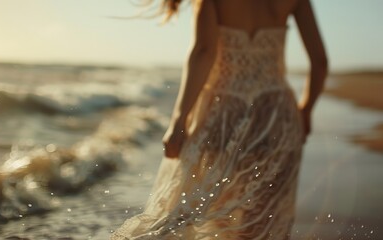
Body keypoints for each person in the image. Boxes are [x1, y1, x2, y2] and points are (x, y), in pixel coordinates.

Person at [112, 0, 328, 239]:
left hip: (224, 116)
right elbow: (320, 62)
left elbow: (204, 51)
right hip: (276, 116)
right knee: (262, 221)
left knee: (207, 216)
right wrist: (306, 110)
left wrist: (178, 119)